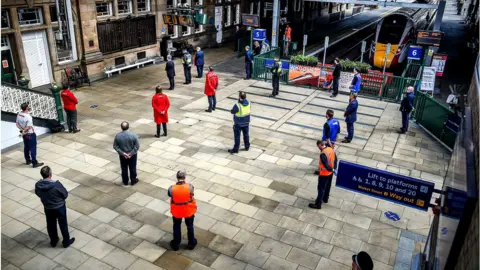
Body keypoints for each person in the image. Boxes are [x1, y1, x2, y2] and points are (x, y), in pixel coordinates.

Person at [35, 166, 75, 248]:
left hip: (48, 208)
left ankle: (53, 241)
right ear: (50, 174)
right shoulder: (56, 185)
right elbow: (65, 194)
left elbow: (37, 193)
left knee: (50, 224)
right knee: (63, 224)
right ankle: (66, 242)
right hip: (59, 207)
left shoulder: (38, 185)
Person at [168, 170, 197, 251]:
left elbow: (170, 195)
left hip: (177, 211)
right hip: (188, 210)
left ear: (177, 177)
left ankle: (176, 244)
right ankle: (191, 243)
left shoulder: (171, 188)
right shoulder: (190, 187)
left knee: (176, 226)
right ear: (184, 177)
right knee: (190, 226)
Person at [309, 140, 337, 209]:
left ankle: (318, 204)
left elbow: (326, 166)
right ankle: (325, 198)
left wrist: (331, 169)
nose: (319, 148)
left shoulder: (323, 154)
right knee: (328, 186)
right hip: (330, 173)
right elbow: (336, 159)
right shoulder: (331, 149)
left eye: (318, 147)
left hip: (324, 174)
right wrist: (334, 169)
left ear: (320, 145)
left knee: (321, 188)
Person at [16, 103, 44, 168]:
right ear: (27, 108)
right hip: (30, 134)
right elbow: (28, 127)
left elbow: (17, 124)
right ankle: (34, 163)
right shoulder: (28, 117)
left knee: (26, 147)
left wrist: (22, 130)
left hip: (24, 135)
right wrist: (24, 130)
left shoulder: (19, 114)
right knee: (33, 148)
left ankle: (28, 160)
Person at [113, 121, 140, 186]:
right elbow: (137, 146)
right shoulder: (133, 135)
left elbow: (115, 146)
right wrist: (131, 154)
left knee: (124, 168)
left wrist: (123, 153)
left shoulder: (118, 136)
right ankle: (133, 180)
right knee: (132, 167)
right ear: (128, 127)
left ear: (121, 127)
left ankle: (125, 181)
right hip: (132, 155)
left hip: (123, 156)